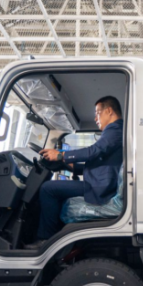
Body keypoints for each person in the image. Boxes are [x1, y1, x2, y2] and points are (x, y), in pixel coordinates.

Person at [24, 96, 123, 250]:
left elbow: (93, 151)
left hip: (99, 188)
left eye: (98, 113)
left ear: (109, 111)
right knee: (53, 189)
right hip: (99, 184)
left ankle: (45, 239)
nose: (95, 118)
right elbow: (100, 165)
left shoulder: (115, 129)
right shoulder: (116, 131)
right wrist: (67, 165)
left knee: (48, 189)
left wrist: (61, 155)